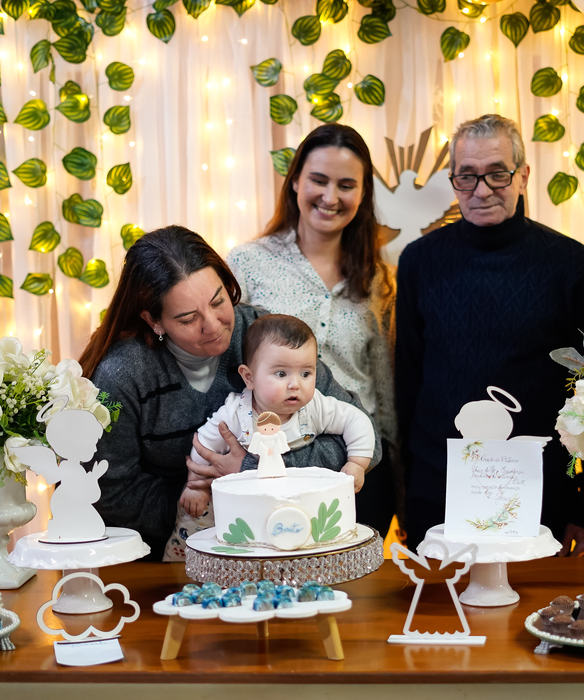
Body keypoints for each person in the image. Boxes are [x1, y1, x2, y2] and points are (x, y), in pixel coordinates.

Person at [77, 226, 380, 562]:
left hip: (281, 542)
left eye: (218, 301)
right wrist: (207, 503)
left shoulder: (265, 336)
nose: (213, 325)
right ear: (154, 321)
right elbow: (108, 490)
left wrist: (251, 472)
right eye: (188, 319)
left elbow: (367, 441)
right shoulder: (124, 373)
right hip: (166, 557)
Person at [395, 114, 584, 556]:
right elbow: (408, 383)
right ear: (453, 181)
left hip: (539, 488)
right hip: (439, 485)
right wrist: (407, 497)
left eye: (497, 174)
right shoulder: (418, 261)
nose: (482, 190)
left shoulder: (570, 264)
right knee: (442, 600)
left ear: (523, 175)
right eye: (467, 176)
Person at [228, 123, 397, 534]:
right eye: (319, 180)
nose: (331, 197)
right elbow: (227, 364)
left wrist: (394, 470)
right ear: (295, 182)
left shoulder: (379, 279)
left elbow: (385, 385)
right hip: (274, 461)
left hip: (359, 466)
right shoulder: (248, 263)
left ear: (363, 194)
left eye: (346, 185)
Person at [179, 314, 374, 521]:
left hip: (300, 505)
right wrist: (196, 486)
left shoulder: (315, 407)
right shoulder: (236, 414)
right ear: (249, 377)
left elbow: (356, 420)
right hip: (247, 506)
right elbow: (204, 444)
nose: (295, 384)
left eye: (305, 374)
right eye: (281, 374)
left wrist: (357, 463)